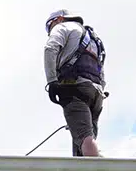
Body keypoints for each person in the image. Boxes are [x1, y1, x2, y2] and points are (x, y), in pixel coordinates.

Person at [44, 8, 106, 157]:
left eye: (49, 26)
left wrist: (52, 80)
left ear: (58, 19)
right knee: (85, 138)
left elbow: (50, 48)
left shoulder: (62, 27)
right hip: (96, 92)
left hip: (75, 87)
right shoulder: (92, 38)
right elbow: (100, 67)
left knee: (85, 138)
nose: (49, 31)